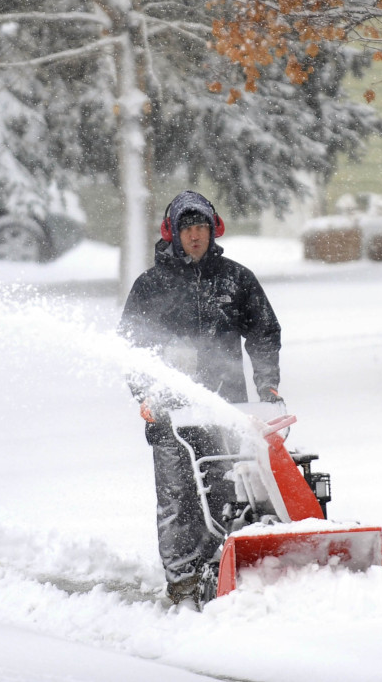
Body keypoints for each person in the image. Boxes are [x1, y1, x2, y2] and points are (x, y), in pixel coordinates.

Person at [118, 190, 282, 607]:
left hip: (226, 409)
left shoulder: (235, 279)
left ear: (214, 230)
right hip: (171, 415)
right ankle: (183, 582)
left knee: (227, 491)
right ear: (173, 233)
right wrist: (145, 394)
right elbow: (131, 347)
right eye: (188, 228)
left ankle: (222, 571)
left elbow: (264, 332)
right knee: (178, 498)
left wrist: (268, 387)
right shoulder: (151, 287)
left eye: (202, 227)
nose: (195, 235)